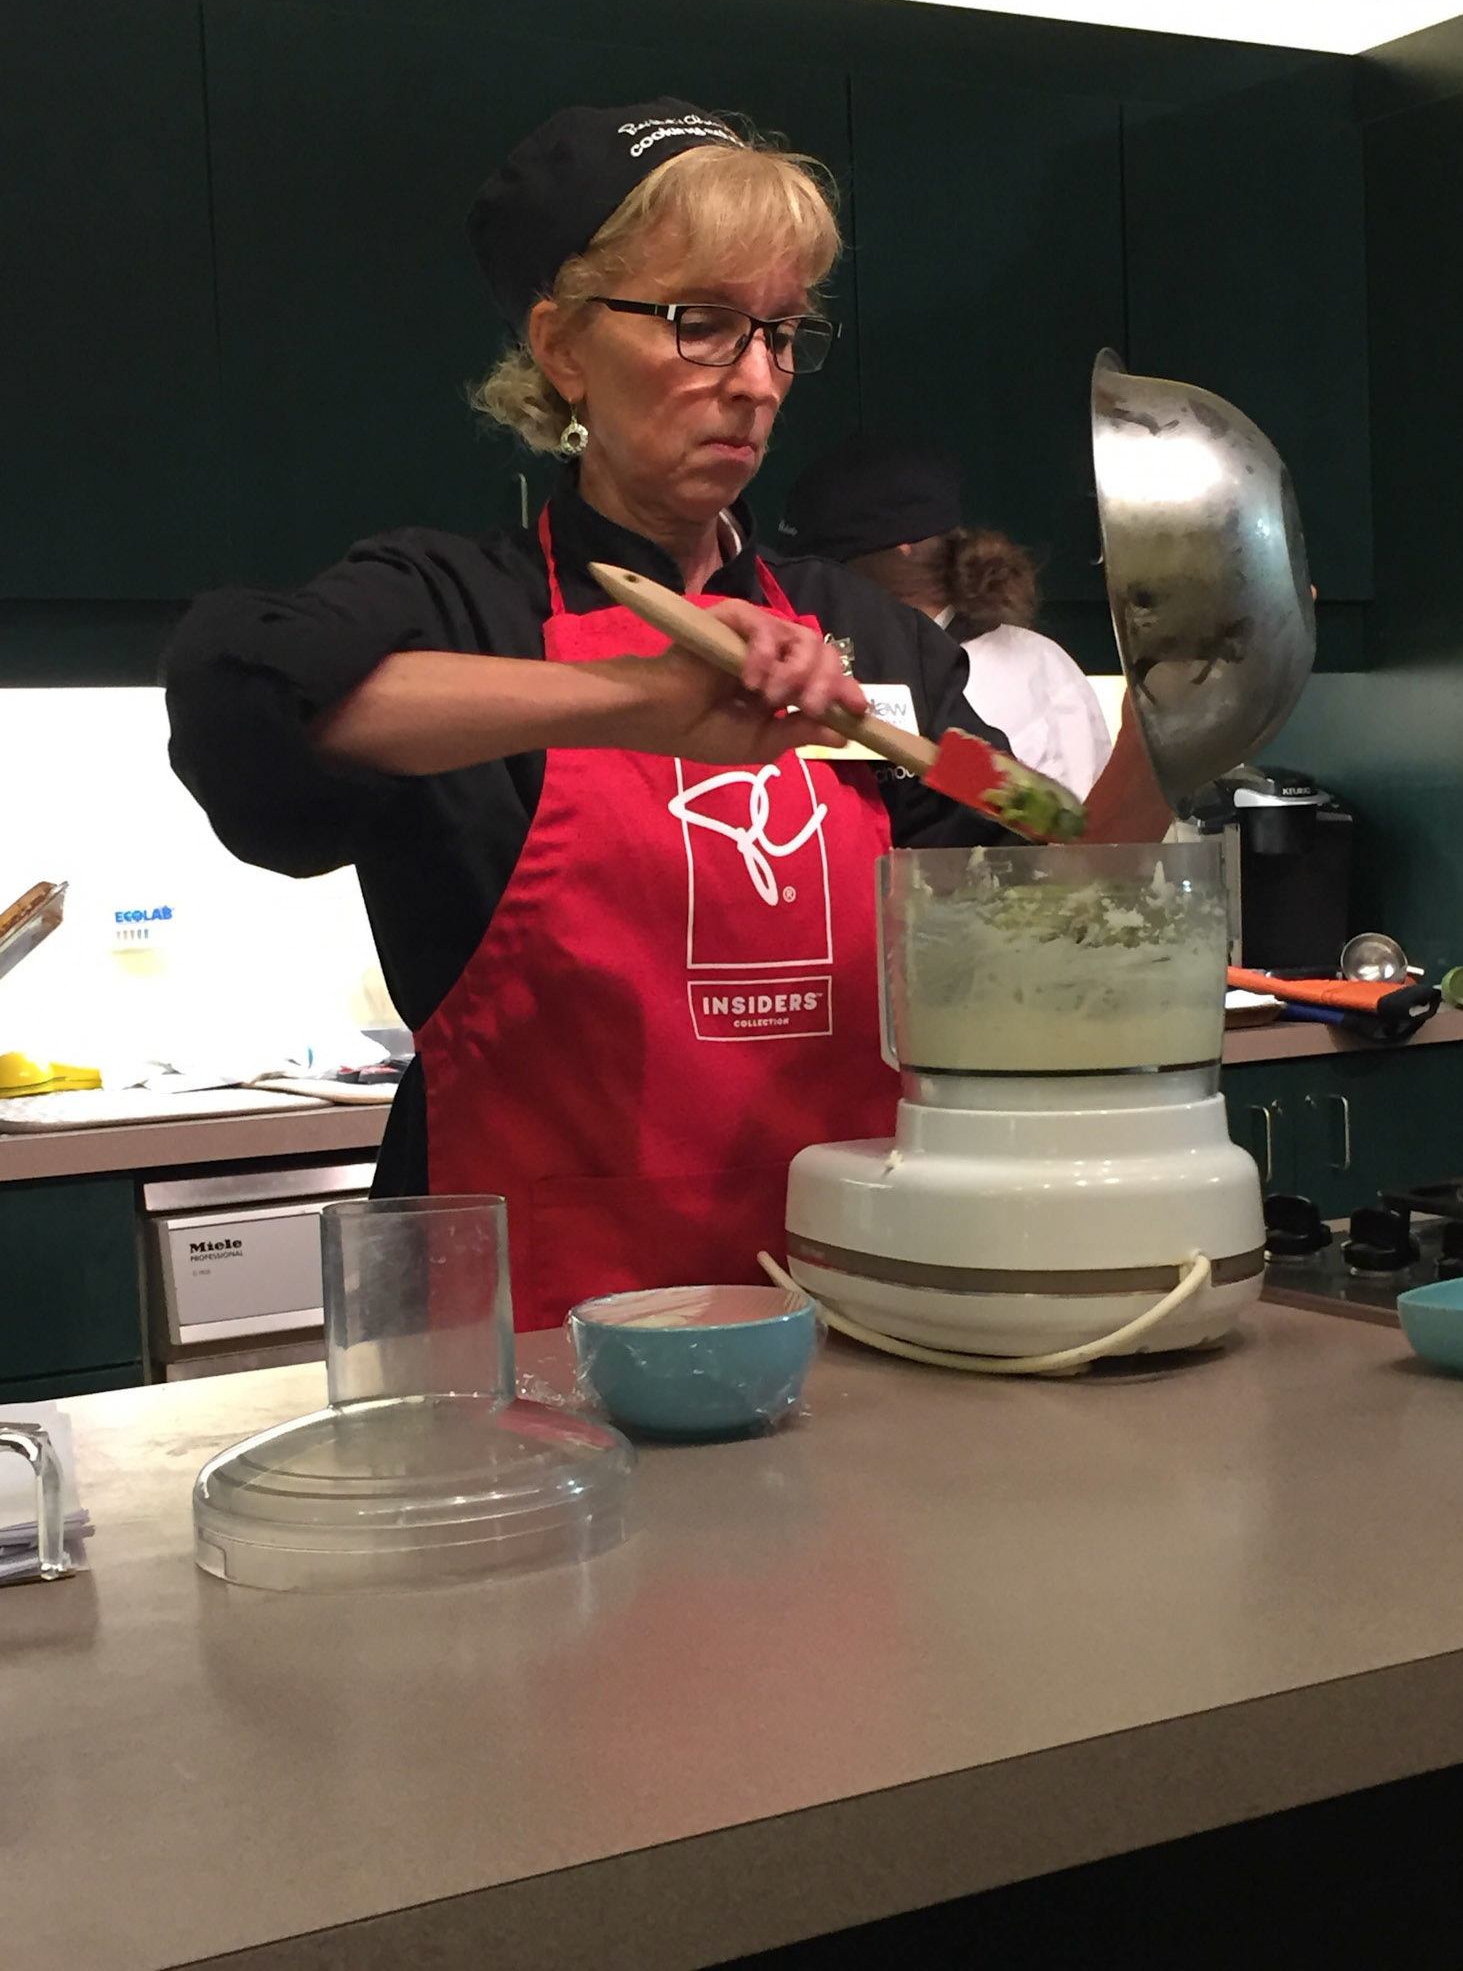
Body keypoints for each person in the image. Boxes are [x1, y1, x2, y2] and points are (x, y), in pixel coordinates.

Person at [162, 99, 1016, 1331]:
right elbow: (241, 697)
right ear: (563, 345)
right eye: (704, 324)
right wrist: (634, 699)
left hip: (852, 1315)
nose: (760, 380)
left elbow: (1023, 842)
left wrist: (1170, 723)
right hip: (519, 1337)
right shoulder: (455, 599)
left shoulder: (868, 637)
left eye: (779, 334)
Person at [781, 434, 1112, 799]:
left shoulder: (1036, 671)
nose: (818, 582)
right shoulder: (823, 659)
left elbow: (1077, 840)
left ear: (902, 545)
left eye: (832, 560)